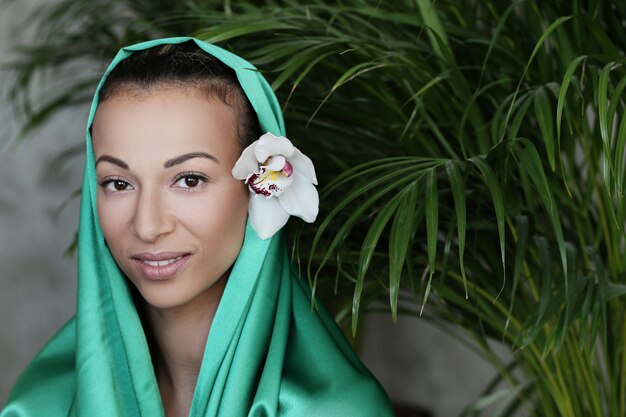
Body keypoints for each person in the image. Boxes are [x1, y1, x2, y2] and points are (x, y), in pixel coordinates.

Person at [1, 37, 394, 416]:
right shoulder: (38, 406)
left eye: (189, 179)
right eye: (118, 183)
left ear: (258, 188)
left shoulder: (334, 410)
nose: (148, 225)